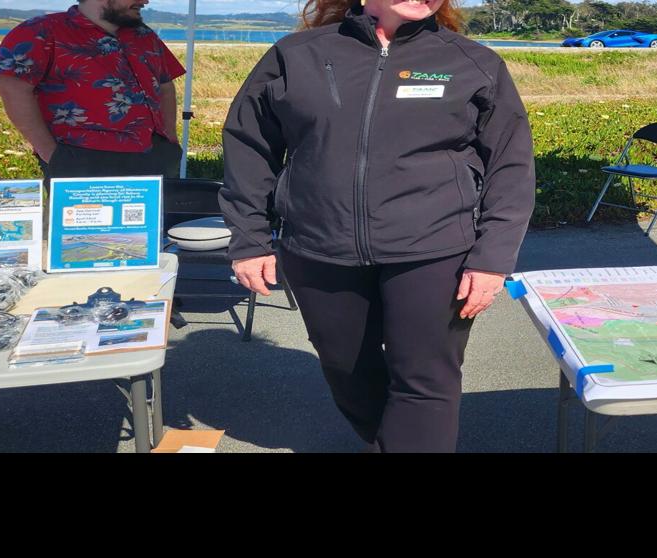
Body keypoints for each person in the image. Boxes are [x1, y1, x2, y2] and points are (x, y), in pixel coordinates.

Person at [219, 0, 535, 453]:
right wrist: (249, 239)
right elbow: (250, 147)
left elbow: (511, 164)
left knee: (425, 381)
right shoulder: (296, 55)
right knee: (346, 370)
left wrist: (492, 258)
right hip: (319, 246)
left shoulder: (472, 62)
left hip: (435, 249)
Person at [0, 0, 185, 182]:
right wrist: (52, 154)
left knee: (160, 213)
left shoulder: (144, 35)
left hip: (154, 153)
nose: (145, 1)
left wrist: (170, 141)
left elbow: (165, 86)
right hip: (80, 156)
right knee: (86, 214)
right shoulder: (41, 31)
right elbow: (12, 89)